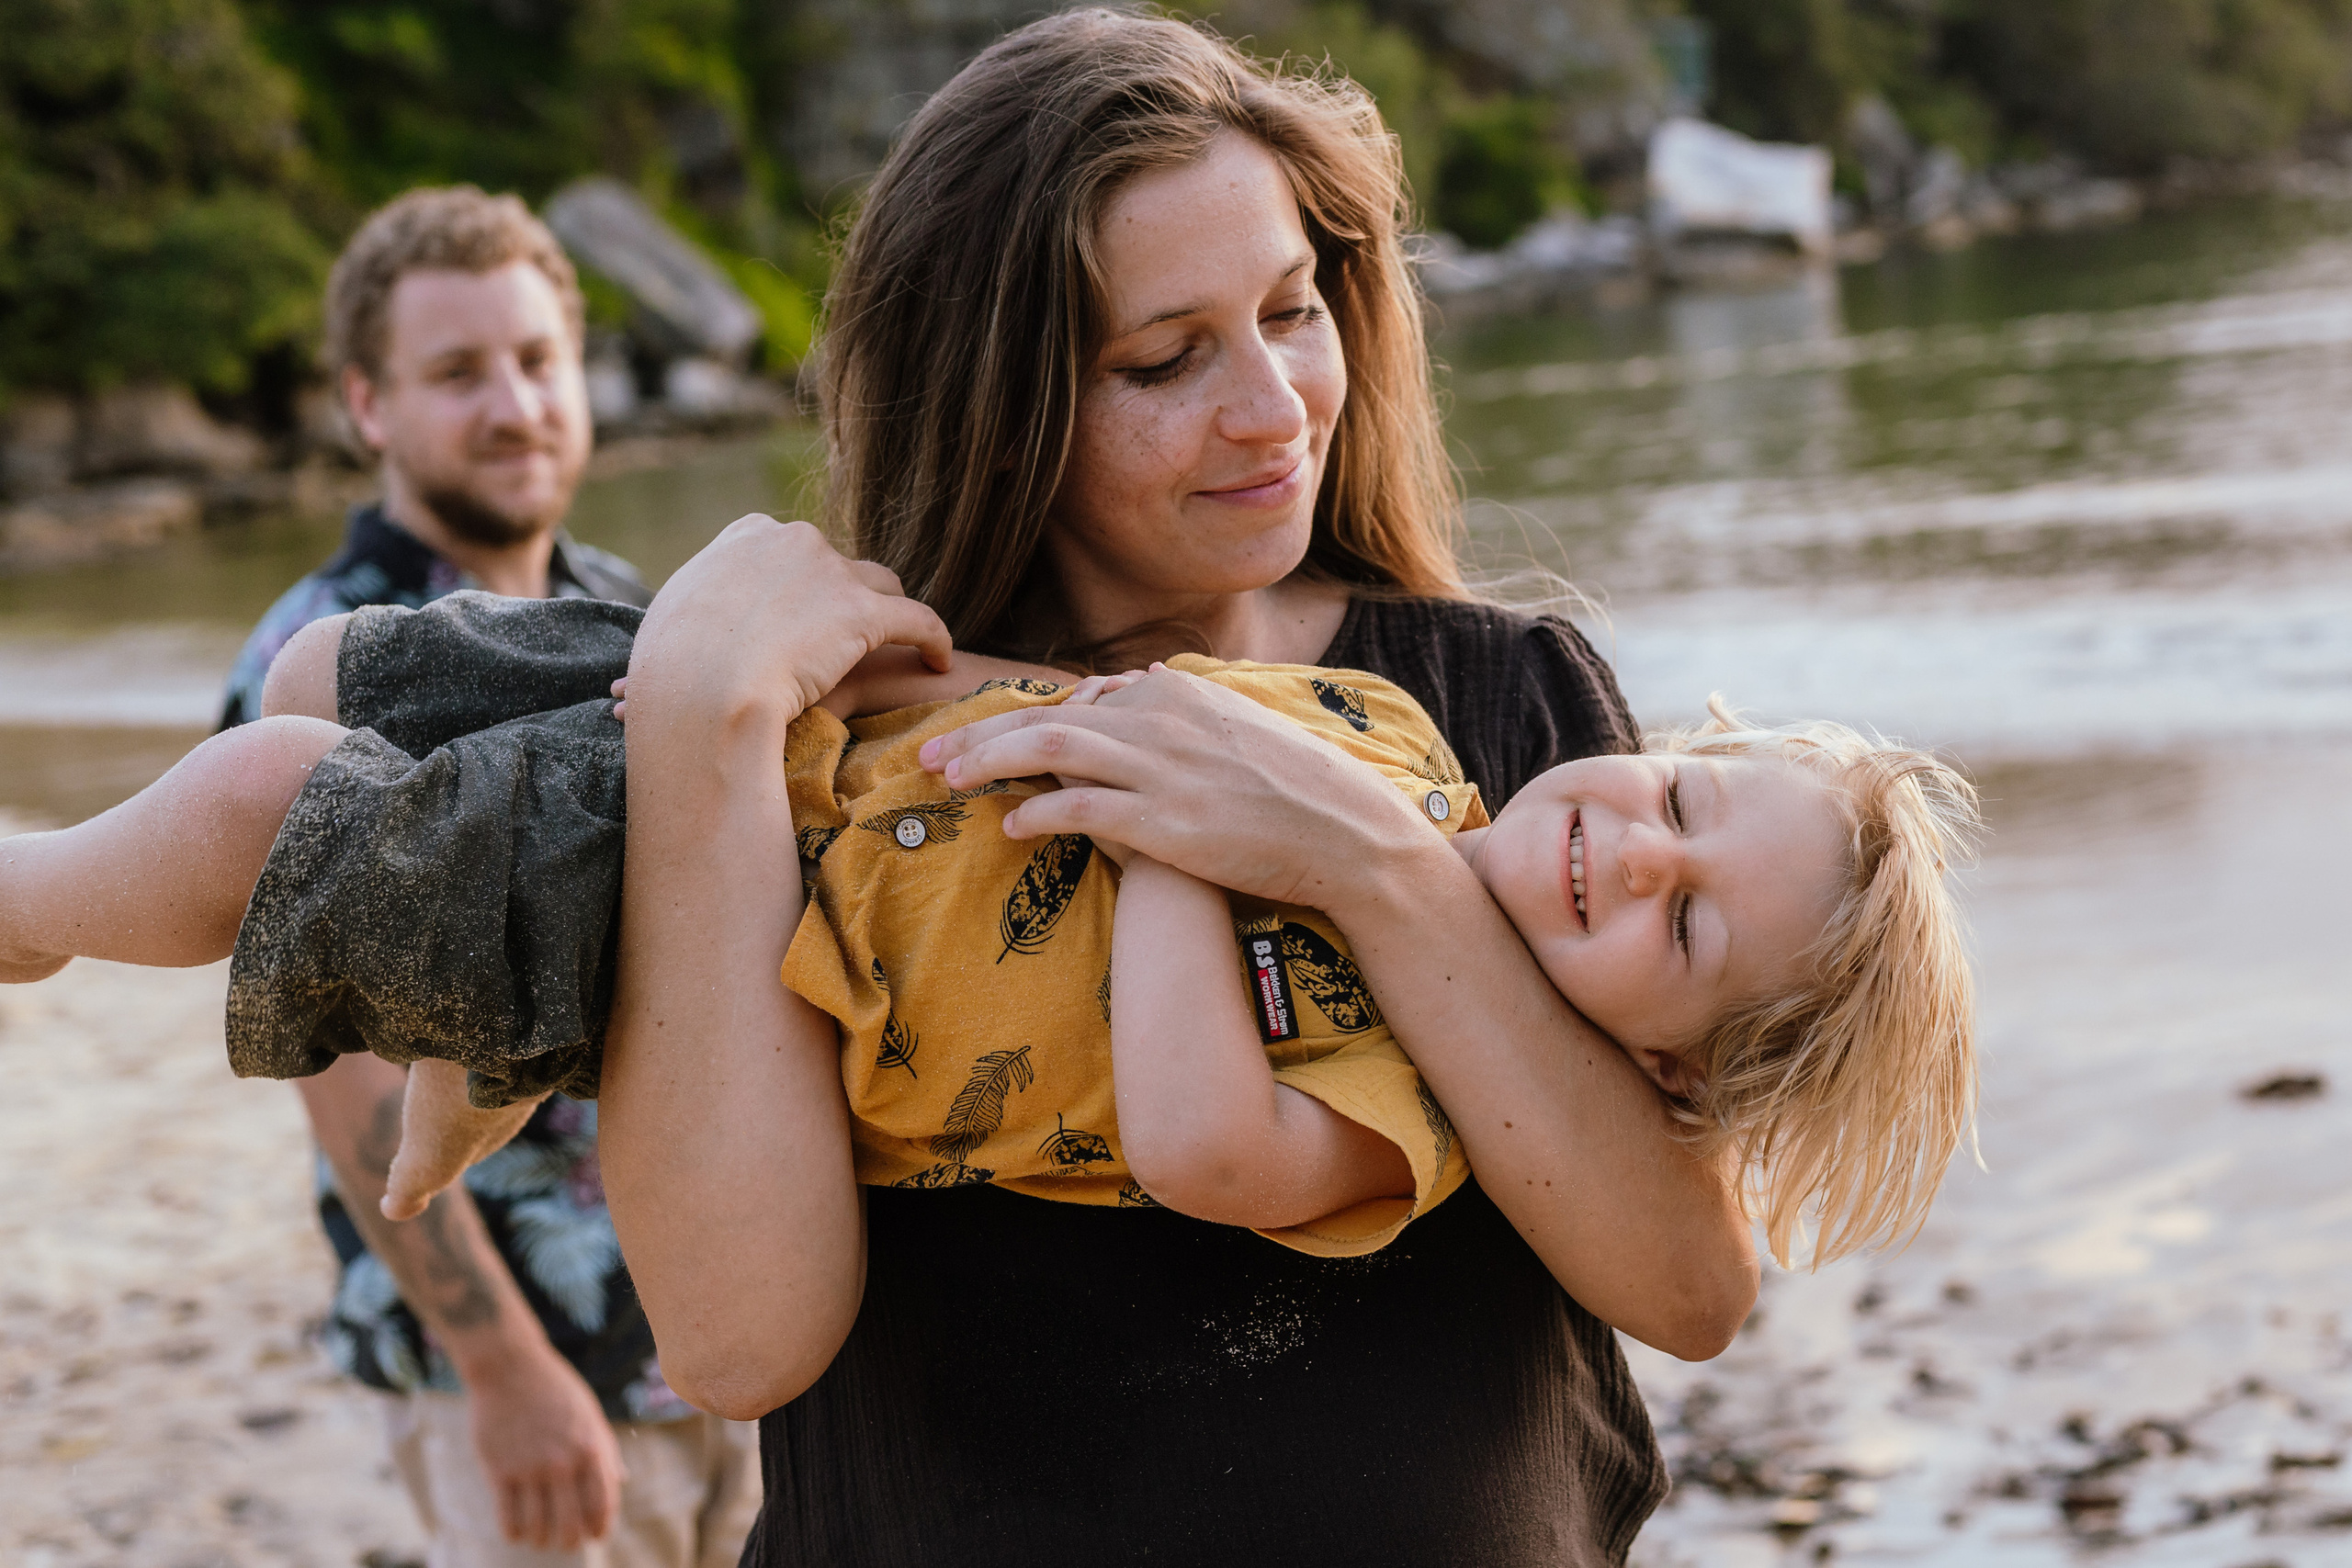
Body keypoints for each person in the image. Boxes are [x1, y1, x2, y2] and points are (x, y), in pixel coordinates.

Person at [588, 15, 1753, 1563]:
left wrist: (1374, 864)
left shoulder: (1508, 703)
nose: (1274, 407)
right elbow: (735, 1344)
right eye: (1162, 359)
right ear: (995, 404)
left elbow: (1692, 1288)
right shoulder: (812, 740)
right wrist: (692, 720)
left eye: (1292, 310)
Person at [0, 603, 1981, 1277]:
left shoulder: (1429, 1101)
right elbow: (1086, 696)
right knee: (343, 663)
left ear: (1667, 1067)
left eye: (1686, 925)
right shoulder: (1393, 735)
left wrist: (1189, 851)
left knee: (271, 796)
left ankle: (28, 907)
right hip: (788, 775)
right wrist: (831, 675)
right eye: (1680, 800)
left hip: (758, 955)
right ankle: (490, 1051)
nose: (1632, 852)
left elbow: (1204, 1147)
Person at [213, 185, 757, 1565]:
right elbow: (340, 1078)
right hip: (519, 1372)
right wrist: (505, 1372)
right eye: (459, 373)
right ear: (368, 405)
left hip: (710, 1321)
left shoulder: (627, 607)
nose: (516, 407)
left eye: (537, 360)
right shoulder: (318, 660)